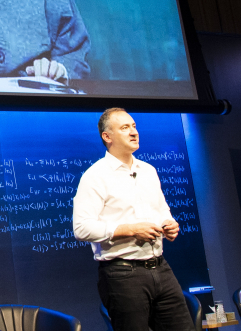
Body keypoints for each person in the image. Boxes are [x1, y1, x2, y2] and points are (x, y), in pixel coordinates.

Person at [72, 108, 194, 331]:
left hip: (161, 268)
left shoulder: (148, 171)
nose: (134, 132)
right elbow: (81, 228)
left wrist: (169, 224)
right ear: (107, 137)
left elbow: (162, 210)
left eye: (134, 126)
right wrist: (129, 229)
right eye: (125, 128)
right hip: (122, 273)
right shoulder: (95, 176)